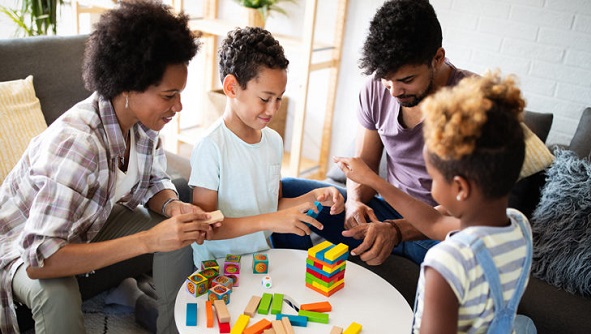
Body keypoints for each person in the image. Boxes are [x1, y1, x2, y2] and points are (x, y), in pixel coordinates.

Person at [0, 1, 215, 333]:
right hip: (21, 249)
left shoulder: (142, 125)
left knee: (179, 228)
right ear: (128, 86)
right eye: (169, 95)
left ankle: (172, 326)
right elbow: (41, 259)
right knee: (57, 294)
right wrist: (148, 241)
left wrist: (174, 208)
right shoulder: (78, 143)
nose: (179, 106)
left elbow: (153, 182)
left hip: (82, 228)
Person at [276, 0, 475, 265]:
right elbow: (366, 163)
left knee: (456, 258)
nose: (393, 92)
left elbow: (459, 212)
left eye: (406, 80)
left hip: (439, 229)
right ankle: (299, 285)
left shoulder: (476, 103)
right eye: (386, 79)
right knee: (288, 193)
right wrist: (355, 203)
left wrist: (395, 230)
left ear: (437, 59)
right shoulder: (375, 89)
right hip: (385, 209)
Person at [335, 71, 535, 333]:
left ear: (460, 187)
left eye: (434, 176)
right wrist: (375, 181)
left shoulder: (446, 261)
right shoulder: (519, 226)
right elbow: (435, 221)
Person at [188, 27, 344, 267]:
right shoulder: (211, 147)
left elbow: (272, 206)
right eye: (265, 98)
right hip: (218, 268)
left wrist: (313, 198)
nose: (273, 110)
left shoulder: (273, 142)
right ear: (231, 87)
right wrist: (271, 221)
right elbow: (205, 227)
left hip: (261, 260)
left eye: (279, 98)